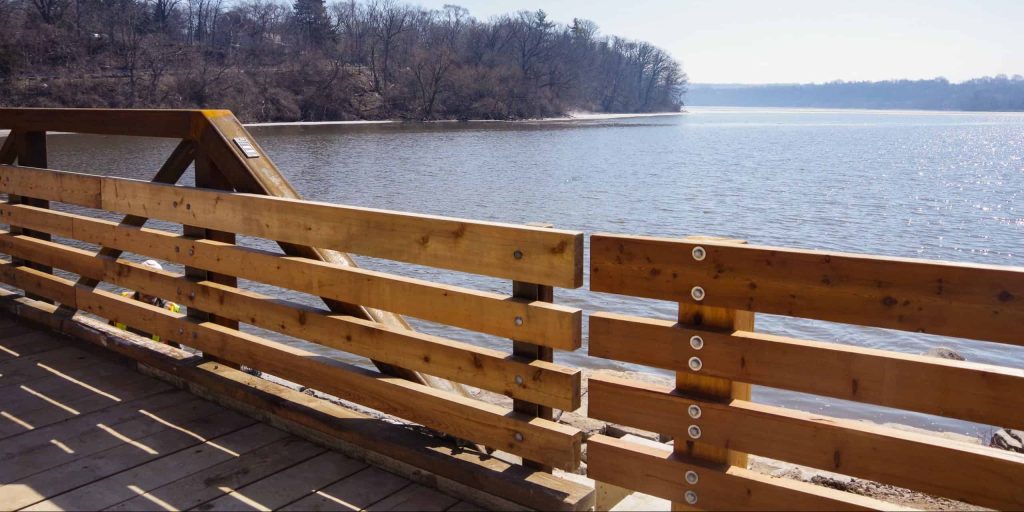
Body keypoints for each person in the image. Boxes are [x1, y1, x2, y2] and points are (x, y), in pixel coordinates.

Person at [112, 259, 181, 346]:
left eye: (153, 285)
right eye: (144, 284)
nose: (148, 291)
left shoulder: (169, 309)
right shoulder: (123, 300)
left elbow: (176, 348)